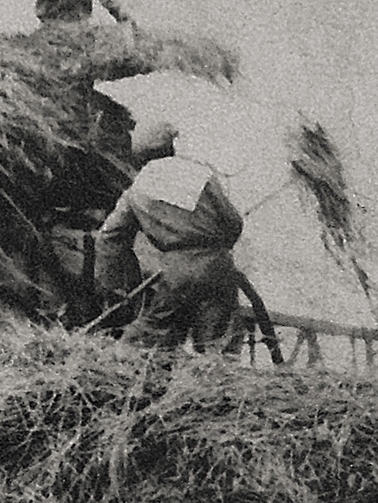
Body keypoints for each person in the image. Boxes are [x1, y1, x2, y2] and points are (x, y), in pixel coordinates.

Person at [96, 120, 278, 357]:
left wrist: (113, 285)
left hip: (177, 271)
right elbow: (233, 222)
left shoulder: (138, 189)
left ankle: (125, 367)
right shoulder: (200, 175)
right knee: (218, 345)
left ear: (139, 156)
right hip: (217, 266)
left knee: (152, 335)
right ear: (171, 147)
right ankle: (215, 387)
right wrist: (216, 248)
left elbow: (109, 237)